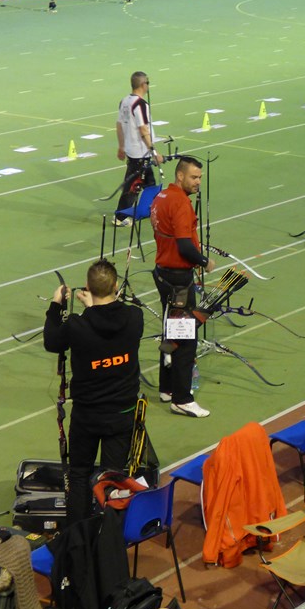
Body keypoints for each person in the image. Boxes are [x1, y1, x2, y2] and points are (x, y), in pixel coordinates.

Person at [43, 259, 144, 527]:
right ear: (116, 286)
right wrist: (95, 309)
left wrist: (56, 305)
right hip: (121, 412)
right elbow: (109, 325)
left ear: (87, 287)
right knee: (113, 478)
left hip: (87, 415)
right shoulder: (135, 317)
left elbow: (52, 341)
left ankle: (78, 535)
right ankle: (111, 534)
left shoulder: (77, 326)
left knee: (79, 475)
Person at [149, 156, 216, 418]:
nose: (198, 182)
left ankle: (167, 388)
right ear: (180, 176)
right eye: (194, 177)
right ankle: (182, 399)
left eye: (200, 177)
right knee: (186, 338)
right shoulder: (180, 203)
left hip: (163, 273)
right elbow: (184, 245)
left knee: (170, 331)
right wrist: (204, 261)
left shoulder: (162, 196)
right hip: (178, 279)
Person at [115, 71, 164, 219]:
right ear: (143, 85)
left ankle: (152, 209)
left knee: (150, 183)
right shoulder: (140, 104)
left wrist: (121, 146)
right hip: (140, 152)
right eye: (147, 83)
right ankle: (120, 217)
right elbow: (143, 129)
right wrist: (154, 152)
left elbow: (119, 125)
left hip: (133, 151)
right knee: (133, 187)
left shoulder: (124, 101)